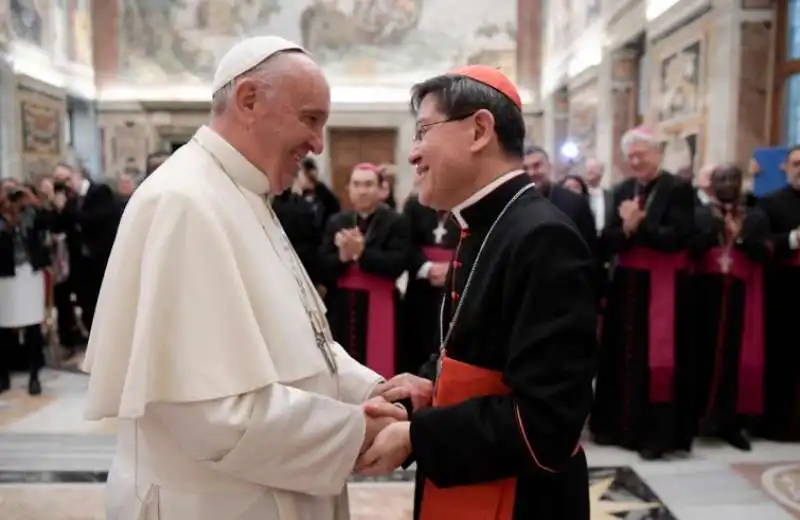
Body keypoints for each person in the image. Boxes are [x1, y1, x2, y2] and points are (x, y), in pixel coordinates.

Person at [81, 36, 406, 520]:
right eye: (310, 119)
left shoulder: (244, 191)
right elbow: (208, 413)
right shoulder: (184, 202)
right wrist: (356, 430)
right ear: (249, 100)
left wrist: (372, 391)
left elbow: (303, 341)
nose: (318, 143)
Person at [357, 66, 597, 520]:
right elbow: (478, 352)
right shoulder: (483, 226)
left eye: (424, 131)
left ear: (479, 130)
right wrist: (429, 384)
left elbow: (546, 425)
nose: (413, 154)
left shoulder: (542, 238)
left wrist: (417, 436)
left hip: (522, 502)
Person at [590, 126, 696, 460]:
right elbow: (607, 240)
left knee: (657, 360)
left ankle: (655, 435)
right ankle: (615, 427)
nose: (636, 161)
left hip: (663, 285)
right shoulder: (621, 188)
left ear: (657, 153)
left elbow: (679, 237)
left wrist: (640, 224)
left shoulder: (678, 188)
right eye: (631, 155)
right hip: (627, 286)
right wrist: (624, 228)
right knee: (620, 354)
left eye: (642, 154)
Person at [690, 164, 770, 450]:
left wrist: (741, 238)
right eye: (721, 178)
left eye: (732, 178)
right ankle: (697, 418)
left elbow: (764, 252)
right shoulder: (699, 213)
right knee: (700, 355)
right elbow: (690, 248)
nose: (727, 183)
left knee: (734, 360)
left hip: (740, 297)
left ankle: (729, 424)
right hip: (704, 296)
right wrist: (711, 233)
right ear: (711, 183)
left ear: (740, 182)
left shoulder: (755, 215)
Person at [319, 163, 410, 377]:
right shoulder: (337, 221)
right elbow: (322, 265)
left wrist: (361, 253)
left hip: (382, 305)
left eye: (369, 184)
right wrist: (341, 257)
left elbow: (397, 264)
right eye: (357, 184)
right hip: (341, 306)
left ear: (381, 189)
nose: (362, 190)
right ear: (349, 189)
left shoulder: (396, 222)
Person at [758, 144, 800, 441]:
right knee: (784, 358)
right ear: (785, 167)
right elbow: (763, 245)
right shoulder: (770, 203)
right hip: (785, 291)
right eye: (797, 164)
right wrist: (794, 239)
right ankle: (780, 425)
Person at [400, 192, 459, 374]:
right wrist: (427, 268)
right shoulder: (414, 205)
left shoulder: (466, 201)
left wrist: (452, 270)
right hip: (421, 291)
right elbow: (405, 244)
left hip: (456, 288)